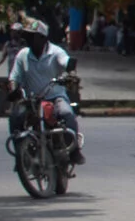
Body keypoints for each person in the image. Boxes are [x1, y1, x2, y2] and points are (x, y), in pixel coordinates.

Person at [4, 19, 82, 164]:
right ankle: (21, 158)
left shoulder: (55, 52)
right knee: (15, 118)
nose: (29, 40)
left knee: (66, 113)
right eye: (27, 36)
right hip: (31, 101)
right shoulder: (23, 55)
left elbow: (65, 62)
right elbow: (14, 76)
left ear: (43, 38)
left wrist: (70, 71)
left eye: (32, 37)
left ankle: (75, 151)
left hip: (55, 97)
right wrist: (13, 89)